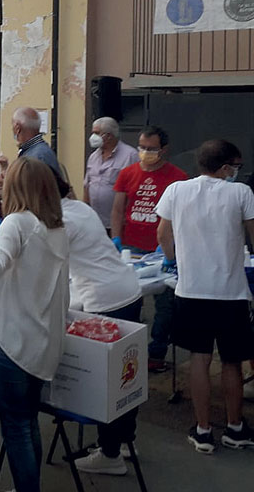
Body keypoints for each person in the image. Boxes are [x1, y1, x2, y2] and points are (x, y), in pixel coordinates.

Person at [0, 156, 69, 492]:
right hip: (42, 341)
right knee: (27, 421)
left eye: (5, 179)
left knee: (16, 428)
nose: (0, 183)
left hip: (12, 342)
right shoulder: (56, 227)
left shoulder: (17, 223)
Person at [156, 139, 254, 452]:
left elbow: (162, 233)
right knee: (232, 362)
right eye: (235, 167)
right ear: (225, 167)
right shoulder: (241, 192)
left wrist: (173, 261)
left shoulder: (176, 190)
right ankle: (235, 427)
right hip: (231, 292)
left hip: (191, 290)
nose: (236, 172)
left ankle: (202, 430)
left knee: (198, 359)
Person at [60, 186, 144, 476]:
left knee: (105, 383)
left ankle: (109, 454)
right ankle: (123, 441)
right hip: (128, 291)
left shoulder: (59, 221)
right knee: (125, 377)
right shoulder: (78, 209)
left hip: (105, 301)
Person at [111, 125, 188, 372]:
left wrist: (172, 249)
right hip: (131, 247)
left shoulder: (177, 177)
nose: (145, 152)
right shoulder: (127, 173)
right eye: (142, 147)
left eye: (151, 148)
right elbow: (117, 209)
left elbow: (181, 215)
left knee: (165, 305)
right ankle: (128, 353)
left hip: (162, 249)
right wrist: (116, 238)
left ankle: (156, 353)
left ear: (163, 150)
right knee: (130, 301)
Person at [83, 117, 138, 231]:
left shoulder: (130, 155)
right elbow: (87, 185)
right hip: (95, 223)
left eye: (97, 133)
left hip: (119, 224)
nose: (93, 137)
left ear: (109, 135)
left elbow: (134, 190)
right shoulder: (94, 156)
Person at [9, 106, 63, 184]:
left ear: (18, 128)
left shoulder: (36, 157)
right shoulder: (40, 151)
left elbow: (30, 190)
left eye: (12, 125)